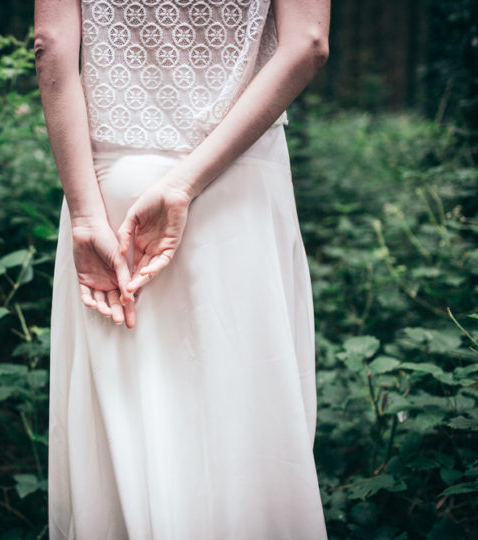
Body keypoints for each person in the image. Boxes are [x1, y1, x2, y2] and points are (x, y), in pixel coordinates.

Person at [35, 0, 330, 537]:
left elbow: (52, 47)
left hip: (108, 191)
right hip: (237, 179)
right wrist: (183, 184)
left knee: (127, 427)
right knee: (245, 415)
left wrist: (84, 213)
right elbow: (307, 43)